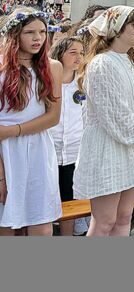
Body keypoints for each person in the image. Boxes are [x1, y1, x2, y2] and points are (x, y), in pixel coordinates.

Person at [72, 6, 134, 237]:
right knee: (105, 221)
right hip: (108, 148)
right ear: (116, 29)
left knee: (124, 218)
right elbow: (115, 112)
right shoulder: (101, 63)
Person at [0, 8, 64, 236]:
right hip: (4, 153)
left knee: (41, 225)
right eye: (30, 32)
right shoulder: (2, 67)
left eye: (42, 32)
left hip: (38, 149)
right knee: (6, 226)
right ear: (15, 34)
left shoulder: (53, 67)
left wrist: (12, 130)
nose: (38, 38)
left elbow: (52, 117)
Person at [48, 37, 87, 237]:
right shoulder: (46, 82)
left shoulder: (83, 83)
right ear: (59, 54)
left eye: (81, 52)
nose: (78, 57)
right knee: (45, 203)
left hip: (74, 153)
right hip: (49, 152)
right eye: (73, 52)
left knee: (70, 203)